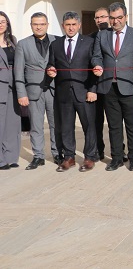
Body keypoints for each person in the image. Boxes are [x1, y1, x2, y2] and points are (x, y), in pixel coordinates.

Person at [92, 2, 133, 172]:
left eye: (119, 18)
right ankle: (117, 158)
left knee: (132, 126)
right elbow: (96, 56)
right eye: (112, 18)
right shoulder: (102, 35)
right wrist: (97, 65)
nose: (115, 21)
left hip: (129, 86)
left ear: (126, 17)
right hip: (108, 87)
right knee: (114, 126)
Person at [46, 12, 98, 172]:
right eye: (67, 25)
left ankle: (90, 157)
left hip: (84, 92)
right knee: (66, 127)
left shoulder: (89, 42)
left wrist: (92, 89)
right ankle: (69, 157)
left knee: (89, 126)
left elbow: (95, 65)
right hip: (64, 94)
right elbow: (51, 64)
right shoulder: (55, 44)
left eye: (74, 24)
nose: (71, 28)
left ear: (79, 25)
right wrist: (50, 70)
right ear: (63, 26)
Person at [15, 12, 59, 169]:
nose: (39, 26)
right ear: (31, 25)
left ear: (47, 24)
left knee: (56, 124)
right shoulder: (23, 44)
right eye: (35, 24)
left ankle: (57, 153)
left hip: (54, 90)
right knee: (36, 125)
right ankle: (38, 155)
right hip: (33, 91)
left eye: (41, 23)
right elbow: (18, 71)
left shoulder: (57, 41)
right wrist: (21, 93)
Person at [0, 11, 21, 170]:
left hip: (13, 87)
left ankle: (11, 156)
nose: (1, 24)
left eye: (3, 21)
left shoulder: (13, 41)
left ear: (7, 24)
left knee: (12, 124)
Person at [92, 7, 110, 160]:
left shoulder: (114, 35)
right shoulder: (90, 38)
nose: (100, 20)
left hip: (112, 85)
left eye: (103, 16)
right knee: (96, 121)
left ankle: (119, 150)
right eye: (97, 18)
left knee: (114, 122)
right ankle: (99, 150)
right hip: (95, 86)